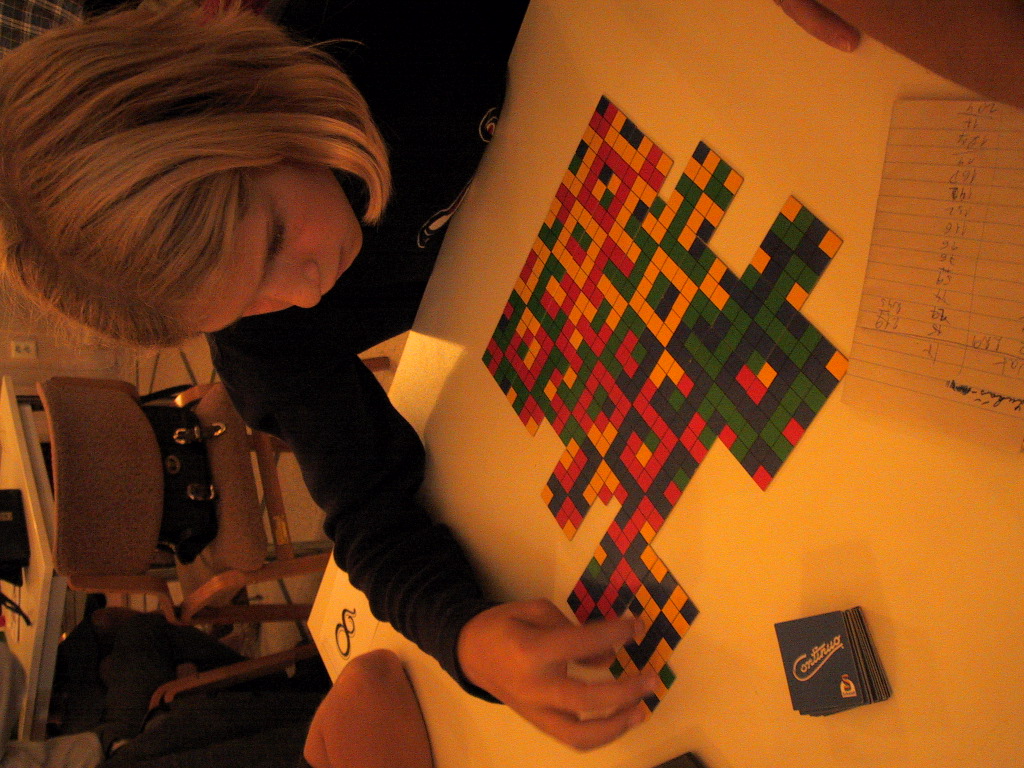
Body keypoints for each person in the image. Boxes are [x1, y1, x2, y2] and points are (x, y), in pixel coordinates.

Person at [1, 0, 1022, 753]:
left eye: (273, 239)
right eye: (244, 306)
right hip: (643, 268)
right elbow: (367, 515)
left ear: (245, 97)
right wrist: (469, 639)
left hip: (763, 95)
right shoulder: (273, 343)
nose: (303, 293)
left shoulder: (371, 26)